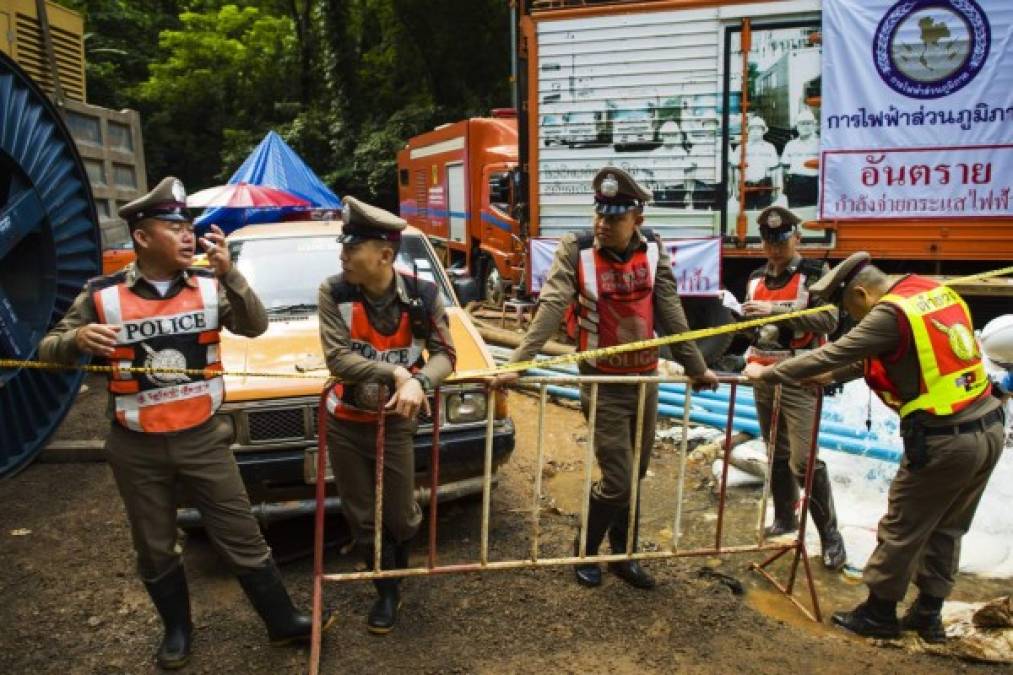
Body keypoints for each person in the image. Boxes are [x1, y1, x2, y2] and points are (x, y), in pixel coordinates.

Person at [38, 177, 329, 669]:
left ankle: (282, 622)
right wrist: (77, 339)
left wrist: (232, 274)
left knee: (240, 532)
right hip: (137, 446)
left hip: (203, 438)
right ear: (142, 237)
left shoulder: (211, 286)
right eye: (173, 226)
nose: (187, 234)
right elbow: (48, 349)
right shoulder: (102, 295)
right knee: (154, 544)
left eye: (188, 225)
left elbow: (255, 326)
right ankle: (177, 631)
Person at [743, 252, 1005, 642]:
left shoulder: (889, 314)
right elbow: (889, 356)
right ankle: (927, 614)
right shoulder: (931, 292)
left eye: (851, 310)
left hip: (944, 440)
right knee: (948, 527)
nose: (854, 319)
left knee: (902, 527)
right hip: (988, 426)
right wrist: (833, 376)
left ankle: (879, 613)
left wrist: (768, 373)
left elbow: (839, 350)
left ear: (862, 294)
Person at [491, 167, 719, 589]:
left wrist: (695, 366)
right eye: (600, 213)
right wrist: (517, 365)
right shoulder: (574, 249)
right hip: (603, 382)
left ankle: (623, 555)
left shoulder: (652, 249)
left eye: (614, 216)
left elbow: (670, 311)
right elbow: (552, 307)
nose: (602, 223)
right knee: (618, 477)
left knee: (637, 472)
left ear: (637, 220)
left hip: (645, 379)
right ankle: (586, 549)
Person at [318, 196, 456, 634]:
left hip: (396, 424)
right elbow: (337, 359)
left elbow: (447, 355)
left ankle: (395, 571)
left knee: (399, 515)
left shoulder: (423, 294)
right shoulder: (333, 291)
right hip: (345, 423)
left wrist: (421, 381)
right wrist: (397, 371)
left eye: (351, 247)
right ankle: (387, 592)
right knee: (361, 516)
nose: (342, 255)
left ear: (384, 255)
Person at [741, 206, 846, 570]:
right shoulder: (754, 277)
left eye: (782, 240)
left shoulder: (815, 273)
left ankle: (831, 537)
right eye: (770, 241)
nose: (775, 247)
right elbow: (752, 329)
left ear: (796, 238)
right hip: (763, 377)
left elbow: (830, 317)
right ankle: (785, 518)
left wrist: (773, 314)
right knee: (777, 452)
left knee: (803, 460)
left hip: (801, 378)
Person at [730, 115, 781, 210]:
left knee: (763, 215)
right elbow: (736, 171)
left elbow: (774, 171)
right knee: (747, 215)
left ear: (763, 131)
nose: (755, 131)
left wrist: (775, 190)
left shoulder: (770, 147)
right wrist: (736, 189)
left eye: (758, 129)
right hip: (746, 187)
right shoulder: (740, 148)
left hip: (764, 187)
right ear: (748, 131)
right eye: (752, 129)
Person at [780, 109, 820, 208]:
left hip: (815, 184)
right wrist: (784, 187)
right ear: (797, 126)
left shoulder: (821, 143)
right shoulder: (790, 145)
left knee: (814, 215)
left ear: (814, 126)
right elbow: (785, 168)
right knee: (796, 215)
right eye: (802, 123)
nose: (805, 126)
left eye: (808, 123)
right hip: (796, 184)